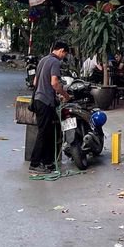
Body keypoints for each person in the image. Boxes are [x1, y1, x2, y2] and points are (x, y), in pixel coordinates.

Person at [29, 40, 71, 175]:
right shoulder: (55, 62)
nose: (64, 57)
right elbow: (54, 83)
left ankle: (47, 161)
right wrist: (65, 95)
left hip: (38, 100)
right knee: (43, 133)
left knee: (48, 133)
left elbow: (35, 81)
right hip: (45, 102)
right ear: (61, 50)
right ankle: (35, 163)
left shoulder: (43, 60)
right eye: (65, 54)